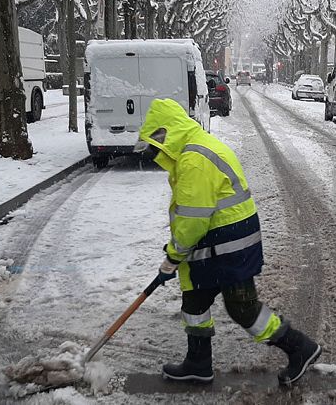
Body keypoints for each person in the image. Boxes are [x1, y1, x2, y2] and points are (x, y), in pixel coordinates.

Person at [135, 98, 321, 386]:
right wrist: (177, 254)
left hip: (230, 244)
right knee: (195, 300)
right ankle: (198, 362)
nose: (156, 152)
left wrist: (173, 257)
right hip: (218, 238)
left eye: (156, 144)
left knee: (242, 308)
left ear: (165, 133)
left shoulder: (194, 158)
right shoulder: (194, 148)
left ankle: (299, 348)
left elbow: (192, 220)